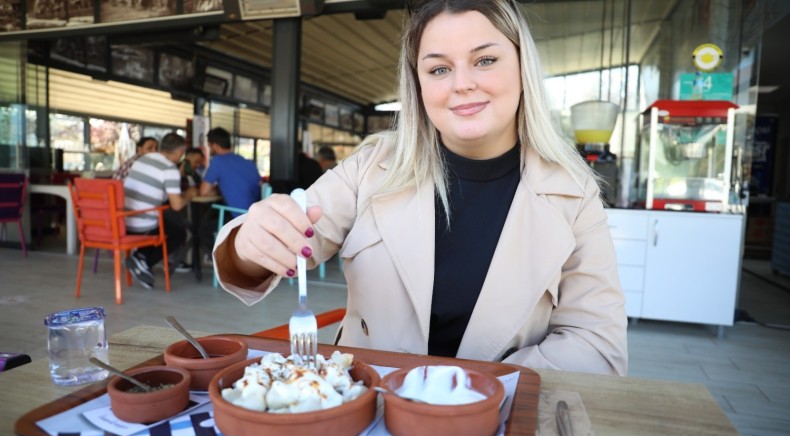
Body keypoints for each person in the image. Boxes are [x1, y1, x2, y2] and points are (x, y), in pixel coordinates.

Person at [212, 0, 628, 375]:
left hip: (492, 416)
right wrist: (253, 242)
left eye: (484, 60)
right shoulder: (373, 166)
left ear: (522, 68)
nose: (461, 83)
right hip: (368, 408)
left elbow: (597, 344)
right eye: (439, 69)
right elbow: (263, 257)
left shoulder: (573, 193)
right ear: (419, 85)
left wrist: (463, 392)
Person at [123, 132, 197, 289]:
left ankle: (141, 259)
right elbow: (177, 205)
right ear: (179, 152)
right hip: (142, 226)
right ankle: (143, 261)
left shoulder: (142, 160)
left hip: (123, 220)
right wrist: (190, 193)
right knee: (178, 232)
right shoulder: (170, 169)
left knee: (165, 219)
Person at [197, 127, 261, 262]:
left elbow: (203, 191)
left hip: (237, 216)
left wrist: (216, 187)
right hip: (255, 215)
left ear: (214, 145)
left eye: (209, 146)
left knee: (202, 230)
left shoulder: (218, 161)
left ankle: (222, 261)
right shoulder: (248, 162)